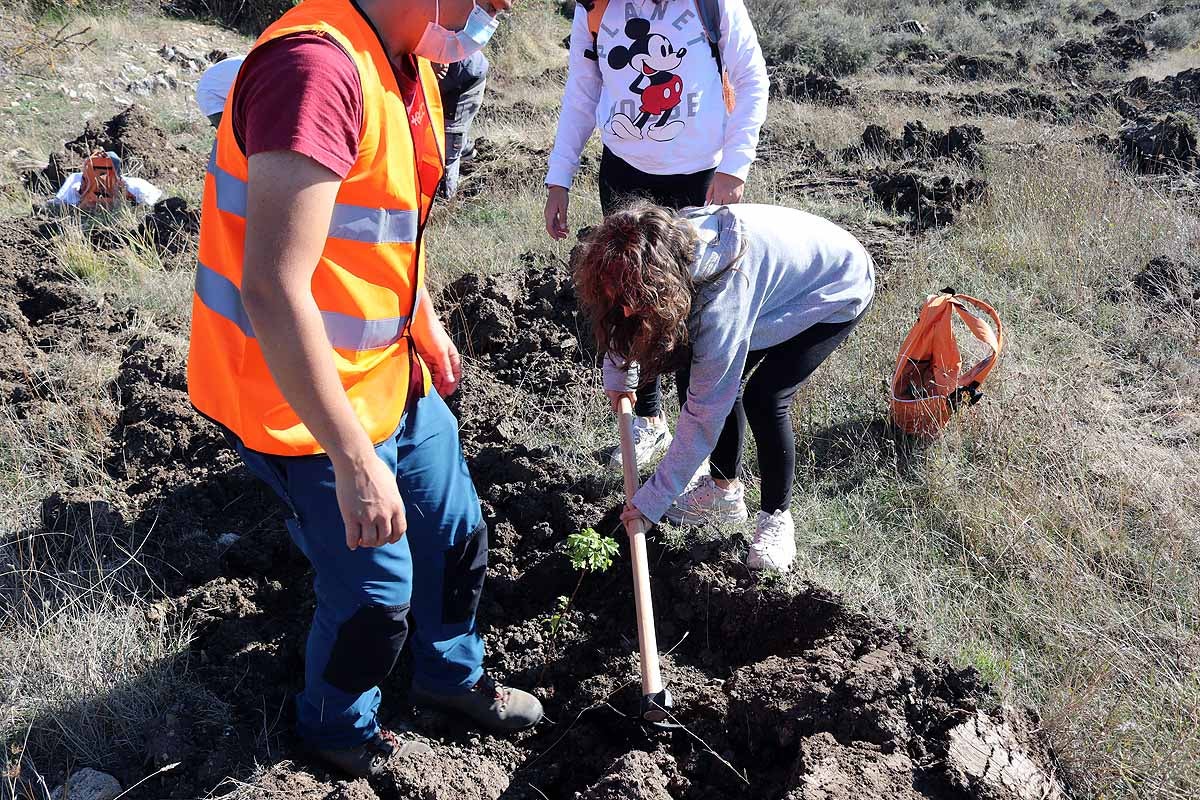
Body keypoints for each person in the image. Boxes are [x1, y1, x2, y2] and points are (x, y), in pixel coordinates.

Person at [186, 0, 542, 780]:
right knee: (376, 597)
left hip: (387, 375)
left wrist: (425, 319)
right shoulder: (315, 72)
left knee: (455, 535)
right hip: (297, 403)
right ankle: (337, 728)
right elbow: (275, 289)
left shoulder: (407, 63)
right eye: (485, 0)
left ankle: (451, 678)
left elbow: (377, 232)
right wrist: (353, 460)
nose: (495, 13)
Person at [573, 201, 875, 572]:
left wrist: (653, 499)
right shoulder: (660, 249)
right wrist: (620, 372)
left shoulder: (721, 299)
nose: (623, 310)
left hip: (833, 286)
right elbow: (620, 312)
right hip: (775, 284)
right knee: (699, 364)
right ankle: (723, 493)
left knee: (765, 396)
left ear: (656, 287)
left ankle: (776, 519)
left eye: (633, 300)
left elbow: (703, 415)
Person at [544, 0, 769, 470]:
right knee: (630, 300)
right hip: (623, 178)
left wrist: (733, 168)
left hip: (700, 184)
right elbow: (583, 90)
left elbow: (751, 79)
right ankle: (649, 421)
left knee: (695, 312)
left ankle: (700, 451)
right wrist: (559, 176)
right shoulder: (594, 8)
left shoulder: (713, 4)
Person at [435, 51, 489, 198]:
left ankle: (445, 200)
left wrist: (440, 54)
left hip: (463, 82)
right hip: (444, 81)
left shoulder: (438, 54)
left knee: (448, 144)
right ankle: (465, 148)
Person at [194, 56, 244, 128]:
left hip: (220, 91)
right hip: (212, 96)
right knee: (232, 134)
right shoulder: (257, 68)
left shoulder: (258, 64)